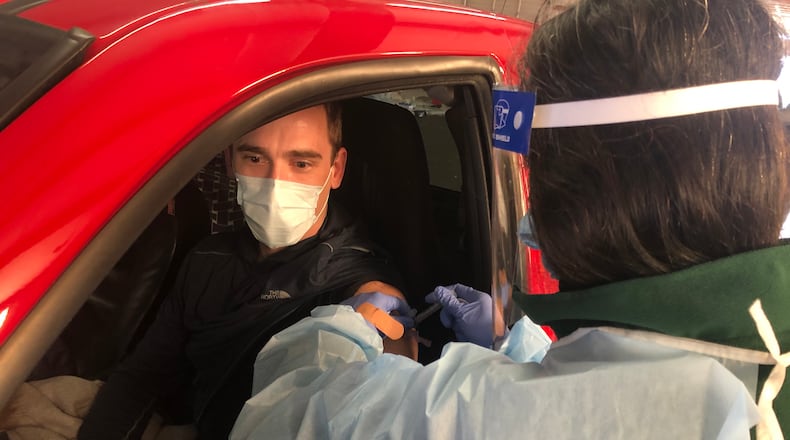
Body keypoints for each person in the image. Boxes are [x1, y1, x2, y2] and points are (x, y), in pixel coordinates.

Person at [228, 0, 790, 437]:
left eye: (534, 167)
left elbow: (283, 418)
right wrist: (518, 344)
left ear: (579, 196)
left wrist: (342, 325)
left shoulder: (488, 417)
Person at [77, 103, 408, 439]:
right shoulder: (208, 258)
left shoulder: (364, 287)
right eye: (254, 158)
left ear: (335, 170)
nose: (275, 183)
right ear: (228, 160)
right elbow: (142, 376)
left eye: (301, 163)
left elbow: (381, 415)